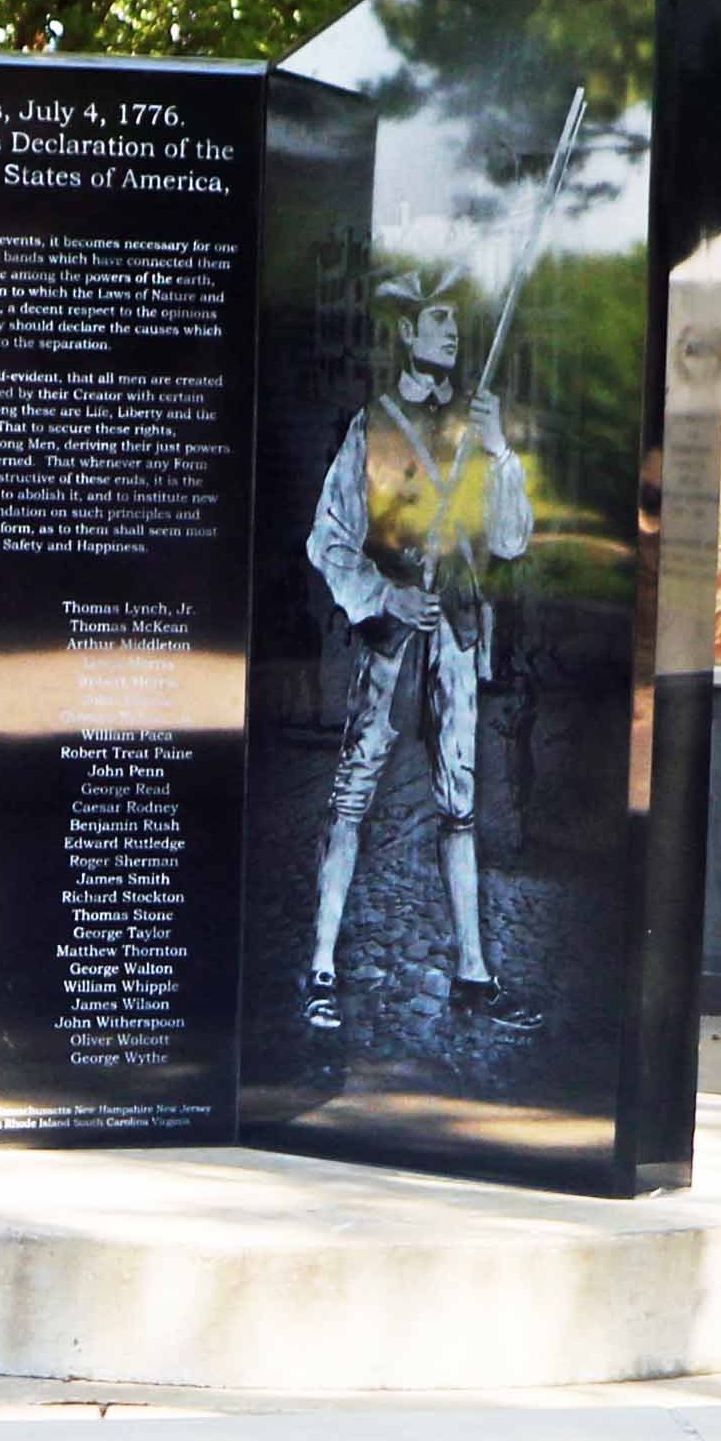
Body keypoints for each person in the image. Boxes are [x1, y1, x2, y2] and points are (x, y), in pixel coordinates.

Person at [301, 285, 539, 1031]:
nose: (450, 334)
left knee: (458, 798)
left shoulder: (476, 426)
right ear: (407, 330)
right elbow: (327, 539)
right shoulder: (371, 426)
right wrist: (380, 595)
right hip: (392, 626)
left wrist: (499, 455)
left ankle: (473, 971)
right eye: (436, 320)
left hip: (456, 627)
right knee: (353, 792)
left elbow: (510, 540)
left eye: (454, 323)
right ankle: (321, 965)